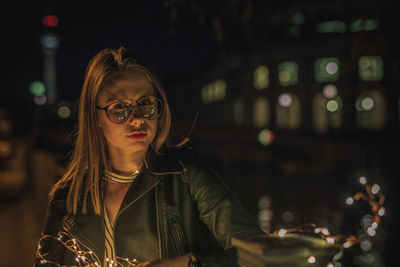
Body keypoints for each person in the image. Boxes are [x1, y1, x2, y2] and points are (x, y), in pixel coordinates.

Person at [35, 47, 263, 267]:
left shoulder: (185, 176)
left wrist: (189, 263)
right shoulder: (67, 198)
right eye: (119, 107)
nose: (136, 118)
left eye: (145, 104)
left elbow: (260, 253)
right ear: (94, 116)